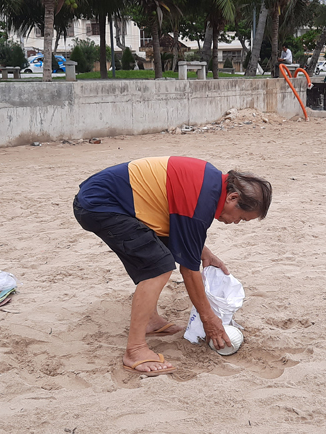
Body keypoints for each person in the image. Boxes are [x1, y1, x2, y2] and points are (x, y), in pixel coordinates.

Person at [73, 157, 272, 375]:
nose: (236, 223)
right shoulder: (203, 201)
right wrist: (210, 320)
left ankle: (150, 321)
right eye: (241, 218)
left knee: (156, 256)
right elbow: (189, 269)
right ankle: (135, 350)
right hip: (101, 204)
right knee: (158, 266)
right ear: (233, 197)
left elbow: (181, 219)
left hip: (112, 199)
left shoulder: (212, 183)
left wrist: (203, 251)